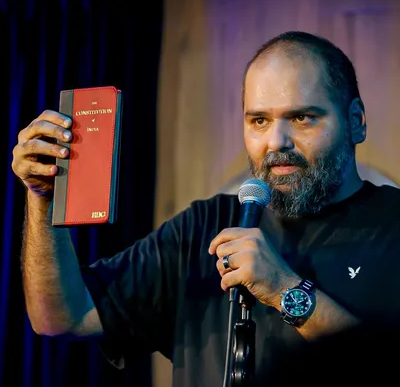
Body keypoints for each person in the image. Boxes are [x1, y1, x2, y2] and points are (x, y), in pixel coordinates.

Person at [11, 30, 400, 386]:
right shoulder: (204, 226)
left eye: (302, 118)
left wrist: (285, 290)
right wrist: (43, 199)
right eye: (259, 121)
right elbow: (62, 318)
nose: (276, 141)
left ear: (356, 122)